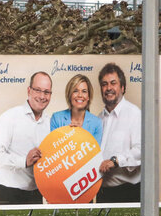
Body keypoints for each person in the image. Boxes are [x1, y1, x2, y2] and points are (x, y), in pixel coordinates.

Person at [0, 72, 52, 204]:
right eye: (38, 90)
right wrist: (24, 161)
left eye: (46, 92)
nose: (42, 96)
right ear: (29, 90)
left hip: (37, 194)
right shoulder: (10, 117)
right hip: (10, 193)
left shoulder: (51, 123)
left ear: (50, 95)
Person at [96, 63, 141, 203]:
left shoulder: (135, 114)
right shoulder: (99, 118)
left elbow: (140, 150)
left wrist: (115, 161)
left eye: (113, 83)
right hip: (102, 192)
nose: (108, 88)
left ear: (122, 87)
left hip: (127, 193)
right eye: (104, 84)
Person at [50, 74, 103, 143]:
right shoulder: (57, 118)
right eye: (75, 91)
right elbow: (53, 149)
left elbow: (95, 152)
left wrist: (81, 135)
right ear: (69, 95)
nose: (80, 95)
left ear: (88, 97)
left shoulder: (96, 123)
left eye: (84, 91)